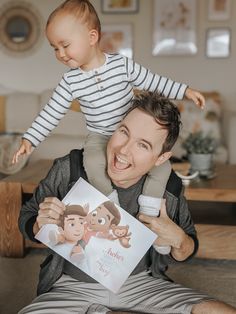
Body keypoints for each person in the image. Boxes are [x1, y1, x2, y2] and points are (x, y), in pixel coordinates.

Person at [18, 92, 236, 314]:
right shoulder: (70, 167)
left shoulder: (169, 186)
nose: (123, 150)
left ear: (160, 158)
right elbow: (27, 216)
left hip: (141, 286)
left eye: (143, 145)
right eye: (124, 132)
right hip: (71, 287)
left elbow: (189, 246)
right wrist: (38, 224)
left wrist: (179, 239)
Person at [13, 0, 206, 227]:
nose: (61, 54)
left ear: (92, 37)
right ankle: (110, 203)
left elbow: (154, 82)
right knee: (93, 163)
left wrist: (185, 91)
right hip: (100, 136)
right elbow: (51, 112)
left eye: (65, 45)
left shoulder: (122, 65)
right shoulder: (70, 81)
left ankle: (150, 209)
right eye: (55, 48)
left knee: (162, 168)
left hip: (129, 133)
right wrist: (30, 139)